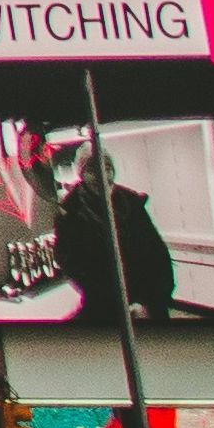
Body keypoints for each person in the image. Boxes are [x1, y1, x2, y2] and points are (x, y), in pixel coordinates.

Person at [52, 134, 179, 322]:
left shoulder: (131, 203)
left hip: (147, 306)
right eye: (93, 169)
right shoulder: (70, 214)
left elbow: (158, 255)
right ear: (81, 174)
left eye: (107, 168)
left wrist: (151, 302)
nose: (103, 175)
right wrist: (119, 306)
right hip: (105, 310)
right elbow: (73, 265)